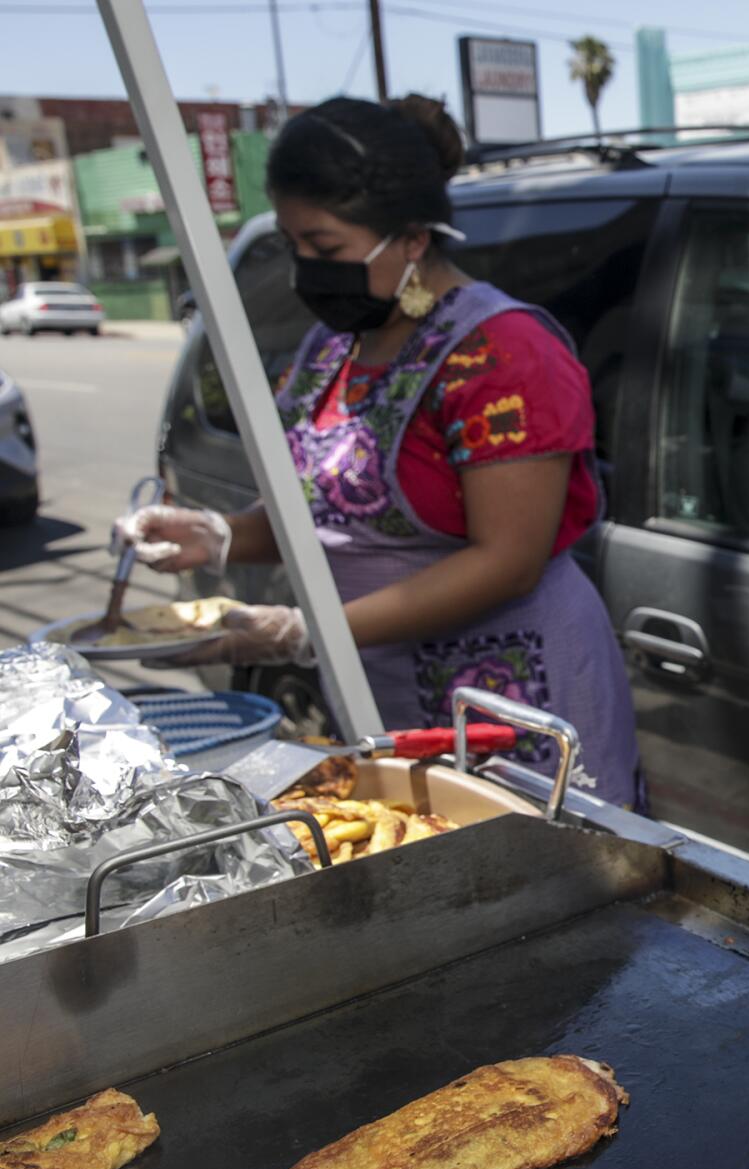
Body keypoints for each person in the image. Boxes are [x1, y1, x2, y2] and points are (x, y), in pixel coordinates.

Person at [120, 96, 641, 805]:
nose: (306, 270)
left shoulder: (503, 353)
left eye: (327, 249)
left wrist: (304, 631)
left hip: (512, 701)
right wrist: (218, 535)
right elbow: (324, 512)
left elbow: (509, 561)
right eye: (294, 246)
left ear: (413, 237)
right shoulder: (332, 347)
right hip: (380, 691)